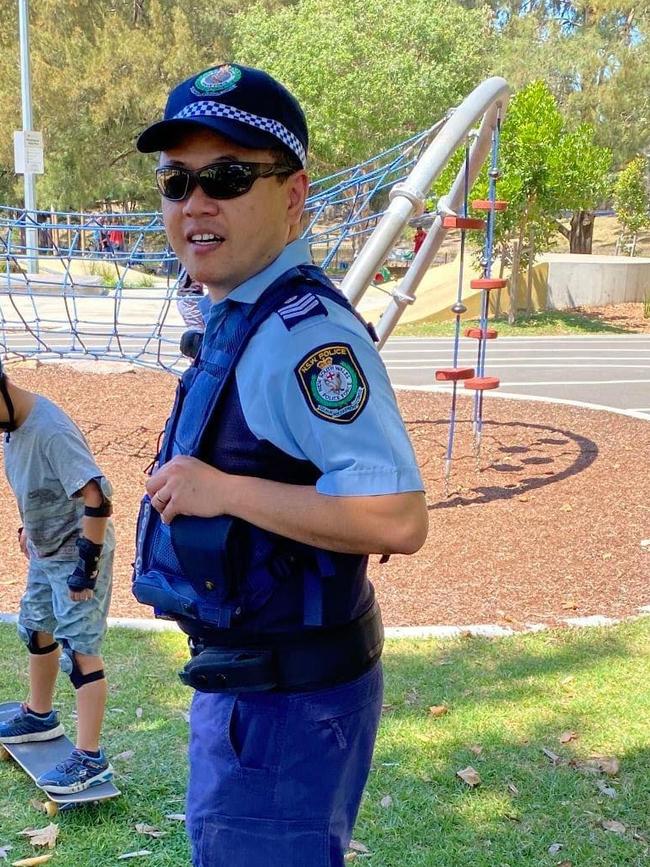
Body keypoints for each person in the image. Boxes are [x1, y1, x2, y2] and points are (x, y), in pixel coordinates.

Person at [132, 63, 428, 867]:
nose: (196, 202)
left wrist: (221, 488)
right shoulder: (243, 312)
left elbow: (398, 517)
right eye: (176, 180)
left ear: (293, 195)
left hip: (284, 708)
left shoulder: (305, 338)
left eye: (227, 176)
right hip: (257, 684)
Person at [0, 360, 115, 794]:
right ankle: (40, 716)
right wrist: (30, 526)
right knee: (35, 629)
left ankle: (90, 759)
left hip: (77, 553)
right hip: (46, 550)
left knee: (80, 652)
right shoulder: (13, 423)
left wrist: (85, 568)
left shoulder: (50, 429)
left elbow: (96, 496)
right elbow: (38, 483)